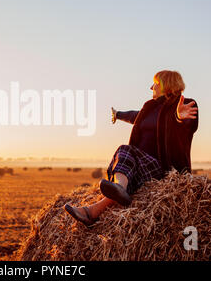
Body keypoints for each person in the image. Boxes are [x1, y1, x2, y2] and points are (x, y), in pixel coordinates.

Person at [64, 70, 199, 227]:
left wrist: (178, 117)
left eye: (155, 83)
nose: (151, 87)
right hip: (142, 168)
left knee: (125, 150)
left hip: (165, 170)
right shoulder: (149, 108)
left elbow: (187, 123)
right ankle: (91, 211)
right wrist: (118, 114)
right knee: (125, 179)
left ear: (166, 85)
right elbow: (135, 116)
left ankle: (119, 188)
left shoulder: (185, 105)